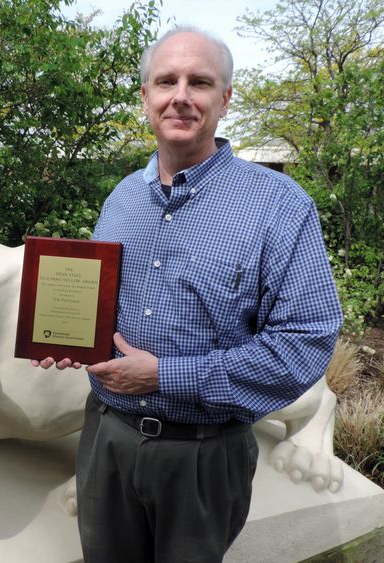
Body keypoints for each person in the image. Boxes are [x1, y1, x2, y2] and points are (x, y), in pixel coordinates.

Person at [33, 26, 342, 563]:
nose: (180, 96)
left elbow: (305, 342)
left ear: (224, 99)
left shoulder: (280, 206)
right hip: (106, 437)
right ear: (146, 98)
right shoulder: (122, 198)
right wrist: (71, 339)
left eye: (199, 82)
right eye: (165, 81)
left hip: (204, 454)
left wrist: (166, 375)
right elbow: (98, 305)